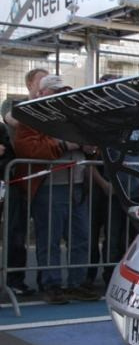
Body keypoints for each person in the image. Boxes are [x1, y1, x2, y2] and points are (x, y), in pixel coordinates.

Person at [13, 75, 99, 304]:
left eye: (62, 90)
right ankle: (51, 285)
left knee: (80, 236)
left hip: (77, 185)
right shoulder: (31, 116)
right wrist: (64, 145)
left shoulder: (73, 116)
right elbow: (28, 148)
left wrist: (91, 148)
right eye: (54, 91)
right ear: (41, 93)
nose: (60, 94)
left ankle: (76, 283)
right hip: (50, 185)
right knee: (50, 238)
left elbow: (92, 144)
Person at [3, 68, 48, 297]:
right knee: (16, 232)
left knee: (45, 232)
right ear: (30, 83)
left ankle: (47, 280)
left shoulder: (50, 107)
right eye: (42, 79)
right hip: (18, 178)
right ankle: (14, 280)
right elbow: (10, 119)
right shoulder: (13, 104)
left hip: (43, 179)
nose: (45, 83)